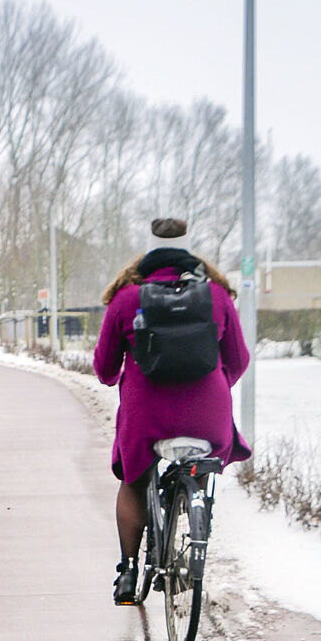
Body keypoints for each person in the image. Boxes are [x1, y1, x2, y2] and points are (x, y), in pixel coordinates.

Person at [92, 218, 251, 605]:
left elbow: (105, 370)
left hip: (147, 415)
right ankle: (191, 531)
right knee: (201, 469)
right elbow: (239, 359)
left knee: (134, 479)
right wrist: (213, 385)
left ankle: (129, 572)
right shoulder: (216, 295)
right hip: (207, 413)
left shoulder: (126, 298)